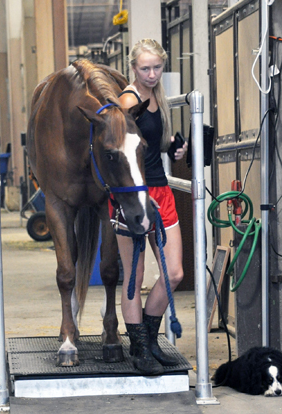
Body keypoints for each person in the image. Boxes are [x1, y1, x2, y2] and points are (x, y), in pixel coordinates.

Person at [112, 38, 187, 375]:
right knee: (134, 275)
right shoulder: (128, 100)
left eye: (157, 67)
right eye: (146, 68)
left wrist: (175, 148)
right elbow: (118, 146)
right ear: (133, 68)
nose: (153, 73)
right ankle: (139, 348)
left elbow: (155, 142)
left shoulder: (158, 97)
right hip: (135, 193)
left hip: (162, 190)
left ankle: (151, 339)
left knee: (174, 272)